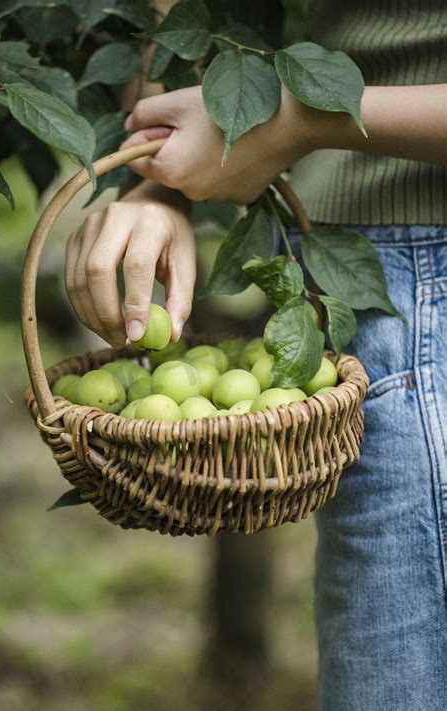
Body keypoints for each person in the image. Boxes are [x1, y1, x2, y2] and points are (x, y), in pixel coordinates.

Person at [65, 2, 447, 708]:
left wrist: (302, 121)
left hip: (415, 261)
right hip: (367, 264)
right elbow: (181, 16)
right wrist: (159, 182)